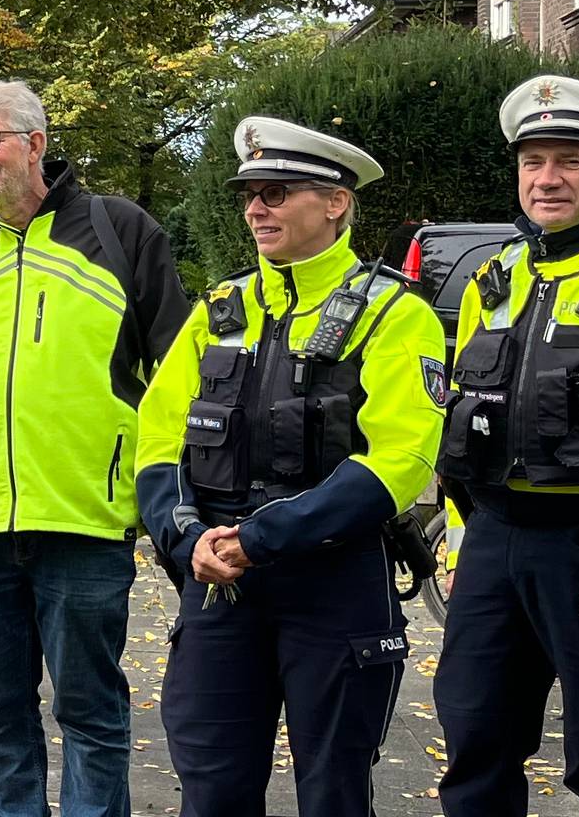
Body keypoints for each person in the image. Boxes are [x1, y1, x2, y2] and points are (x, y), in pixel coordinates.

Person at [133, 117, 444, 817]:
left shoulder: (394, 313)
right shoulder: (221, 308)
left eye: (276, 193)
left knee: (334, 790)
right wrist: (185, 538)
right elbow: (157, 437)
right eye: (249, 194)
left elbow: (398, 459)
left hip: (334, 582)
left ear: (335, 202)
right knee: (210, 788)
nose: (255, 209)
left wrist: (260, 538)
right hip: (219, 584)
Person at [0, 79, 187, 817]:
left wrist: (163, 507)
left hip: (86, 524)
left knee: (90, 714)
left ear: (36, 143)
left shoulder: (120, 231)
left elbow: (178, 380)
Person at [433, 74, 579, 813]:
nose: (546, 179)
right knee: (474, 745)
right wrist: (463, 547)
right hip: (494, 542)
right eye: (532, 161)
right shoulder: (495, 276)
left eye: (571, 160)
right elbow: (462, 422)